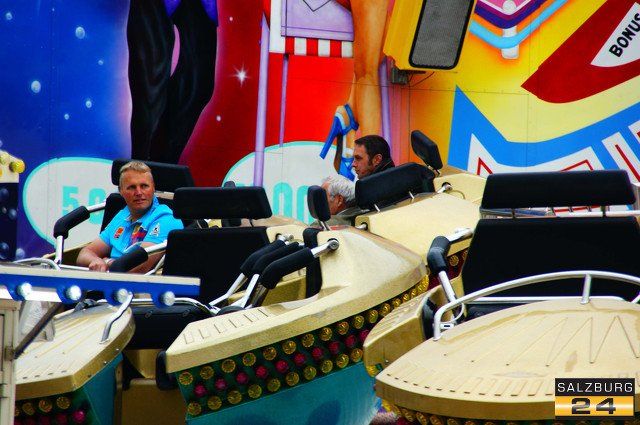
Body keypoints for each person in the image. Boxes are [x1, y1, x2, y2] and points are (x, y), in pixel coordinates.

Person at [76, 161, 183, 273]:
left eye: (144, 186)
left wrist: (107, 262)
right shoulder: (122, 215)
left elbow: (139, 267)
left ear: (153, 188)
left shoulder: (166, 218)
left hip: (139, 282)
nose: (139, 192)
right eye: (132, 187)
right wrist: (96, 260)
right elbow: (85, 253)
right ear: (121, 191)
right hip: (109, 278)